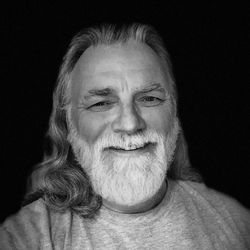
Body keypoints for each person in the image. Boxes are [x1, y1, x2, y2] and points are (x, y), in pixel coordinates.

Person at [1, 23, 249, 249]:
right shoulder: (25, 237)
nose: (130, 124)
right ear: (68, 123)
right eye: (101, 103)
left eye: (150, 99)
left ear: (174, 113)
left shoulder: (237, 222)